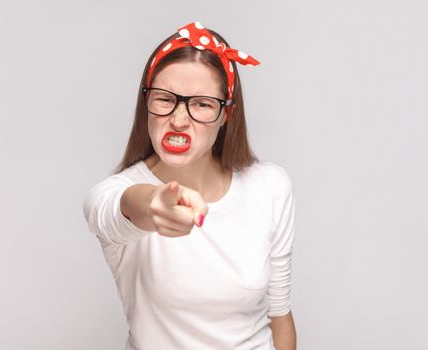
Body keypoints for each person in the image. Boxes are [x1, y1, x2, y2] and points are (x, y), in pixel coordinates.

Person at [83, 21, 297, 350]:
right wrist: (155, 204)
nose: (179, 119)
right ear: (147, 103)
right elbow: (120, 207)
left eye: (201, 104)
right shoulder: (114, 193)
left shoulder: (270, 186)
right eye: (165, 99)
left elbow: (279, 316)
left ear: (227, 114)